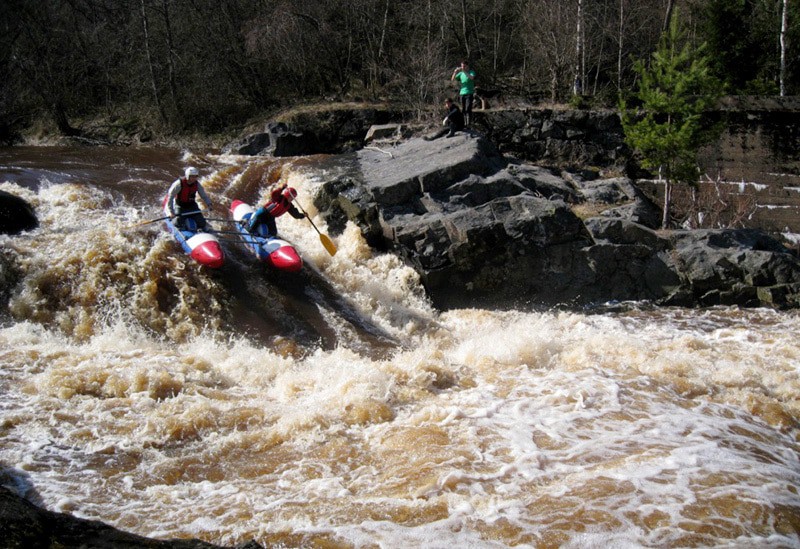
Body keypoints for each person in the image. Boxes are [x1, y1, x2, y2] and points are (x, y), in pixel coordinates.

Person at [451, 60, 476, 126]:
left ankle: (469, 123)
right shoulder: (461, 74)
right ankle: (464, 123)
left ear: (467, 66)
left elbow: (472, 78)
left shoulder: (471, 72)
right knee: (463, 109)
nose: (463, 67)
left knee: (468, 108)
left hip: (469, 93)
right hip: (462, 93)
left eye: (464, 66)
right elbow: (452, 80)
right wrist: (455, 72)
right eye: (462, 66)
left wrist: (464, 71)